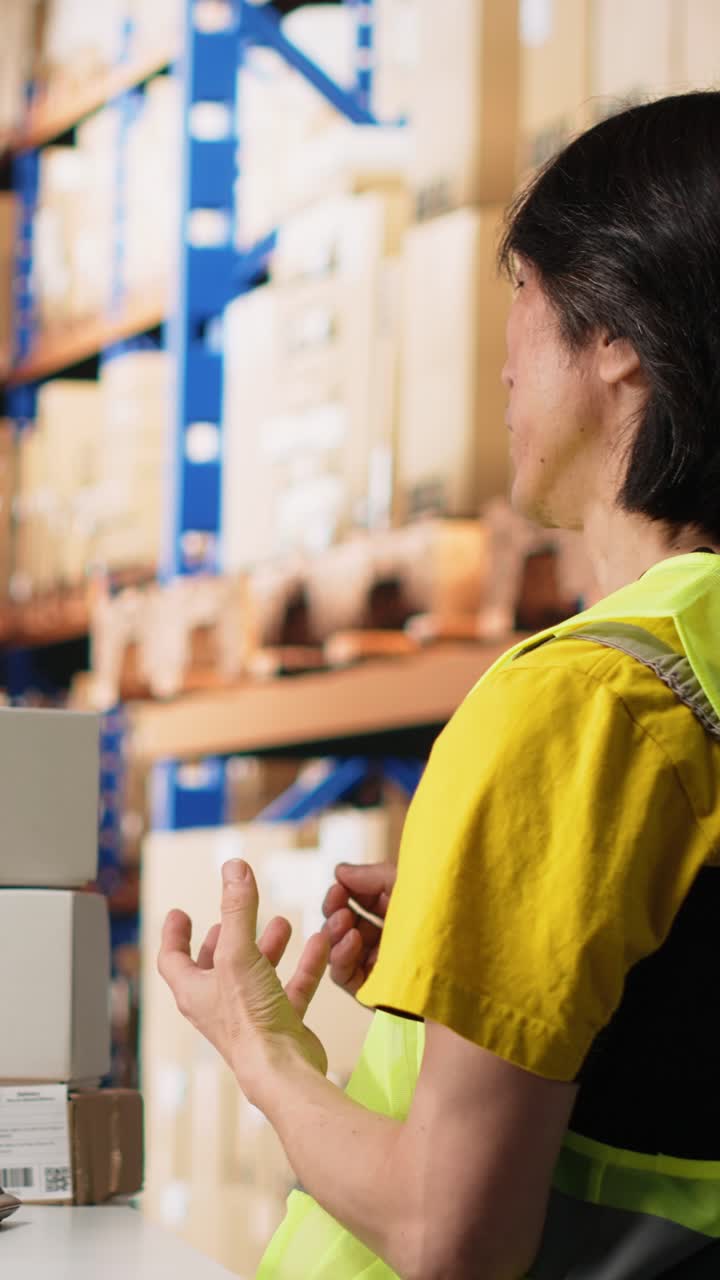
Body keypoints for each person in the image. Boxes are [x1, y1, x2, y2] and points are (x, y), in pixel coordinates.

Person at [158, 91, 720, 1278]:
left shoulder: (580, 702)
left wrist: (259, 1043)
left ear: (617, 332)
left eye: (522, 290)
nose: (504, 356)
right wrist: (507, 911)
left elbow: (446, 1230)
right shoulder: (690, 664)